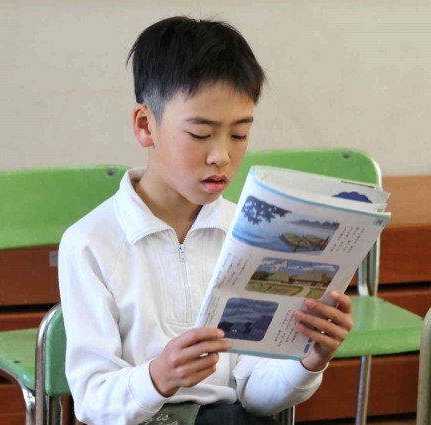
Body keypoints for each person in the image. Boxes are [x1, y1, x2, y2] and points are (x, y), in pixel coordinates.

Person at [58, 16, 354, 425]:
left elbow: (255, 393)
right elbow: (92, 401)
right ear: (146, 125)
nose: (222, 156)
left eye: (239, 135)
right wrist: (158, 378)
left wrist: (309, 360)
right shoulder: (91, 242)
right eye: (200, 134)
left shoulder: (249, 234)